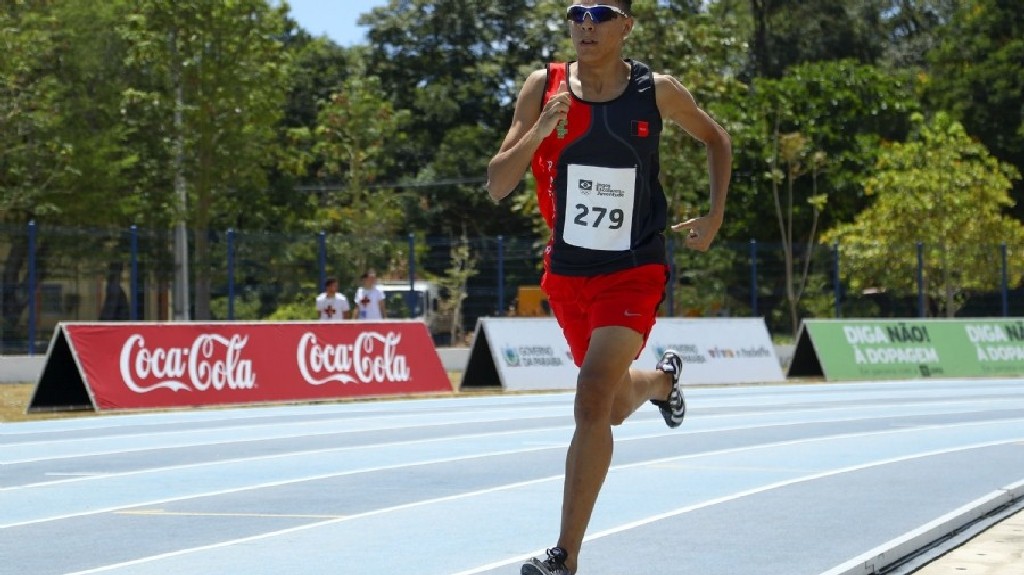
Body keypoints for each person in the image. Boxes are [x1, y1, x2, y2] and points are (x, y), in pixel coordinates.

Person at [485, 2, 731, 574]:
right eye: (577, 13)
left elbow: (717, 140)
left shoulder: (656, 90)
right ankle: (663, 381)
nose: (587, 25)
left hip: (635, 267)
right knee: (614, 405)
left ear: (626, 27)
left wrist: (714, 217)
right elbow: (498, 184)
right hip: (569, 271)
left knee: (591, 397)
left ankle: (563, 557)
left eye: (602, 13)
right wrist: (543, 127)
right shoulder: (542, 87)